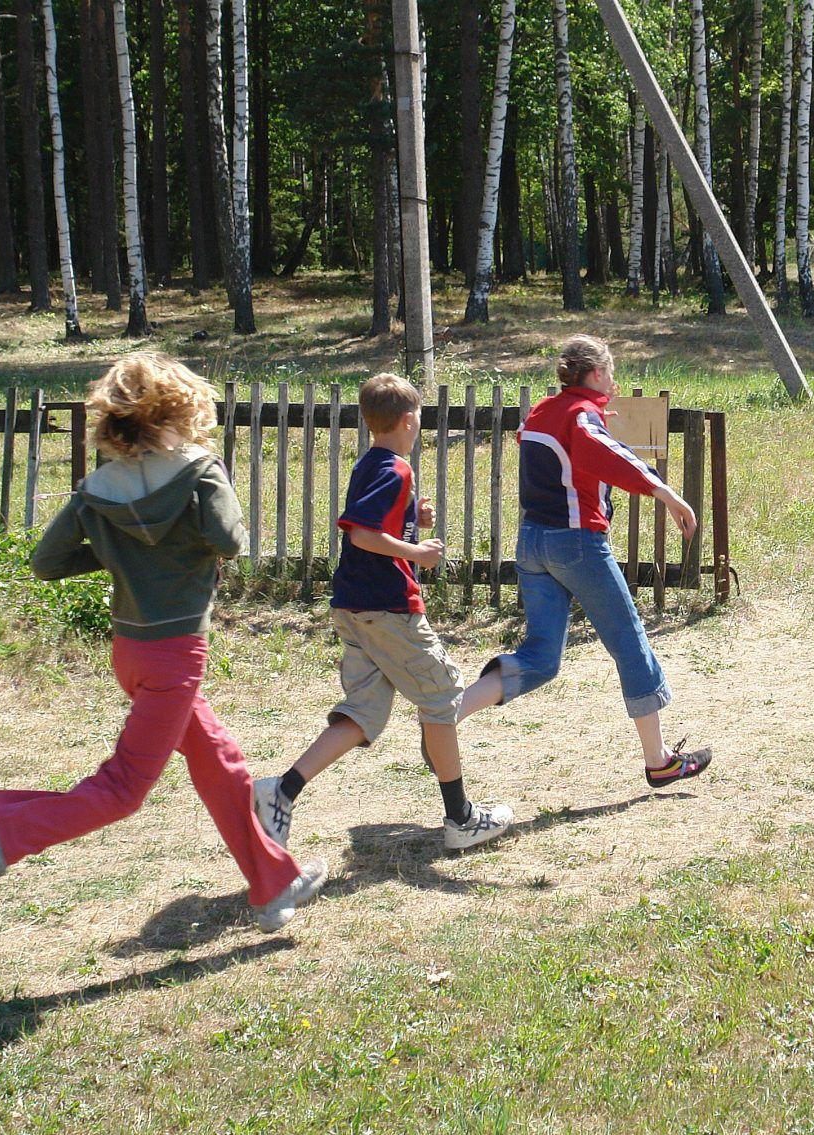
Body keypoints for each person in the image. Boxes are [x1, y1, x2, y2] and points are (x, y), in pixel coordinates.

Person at [0, 355, 327, 931]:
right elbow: (228, 540)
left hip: (132, 652)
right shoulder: (200, 472)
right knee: (125, 789)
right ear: (181, 410)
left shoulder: (94, 490)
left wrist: (113, 552)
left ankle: (273, 884)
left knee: (220, 761)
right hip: (176, 655)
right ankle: (6, 832)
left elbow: (46, 563)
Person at [252, 374, 513, 854]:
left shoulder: (371, 463)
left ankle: (280, 791)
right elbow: (362, 535)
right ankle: (461, 818)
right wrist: (417, 552)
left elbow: (373, 520)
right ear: (410, 420)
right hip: (386, 607)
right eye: (419, 419)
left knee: (363, 713)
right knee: (442, 697)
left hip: (352, 608)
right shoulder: (396, 470)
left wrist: (413, 517)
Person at [451, 336, 712, 787]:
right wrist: (665, 492)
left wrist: (589, 420)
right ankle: (660, 760)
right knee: (629, 642)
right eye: (609, 373)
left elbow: (553, 441)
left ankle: (445, 714)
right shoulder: (580, 418)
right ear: (594, 374)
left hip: (531, 543)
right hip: (576, 544)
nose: (613, 382)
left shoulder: (545, 411)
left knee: (541, 657)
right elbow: (602, 452)